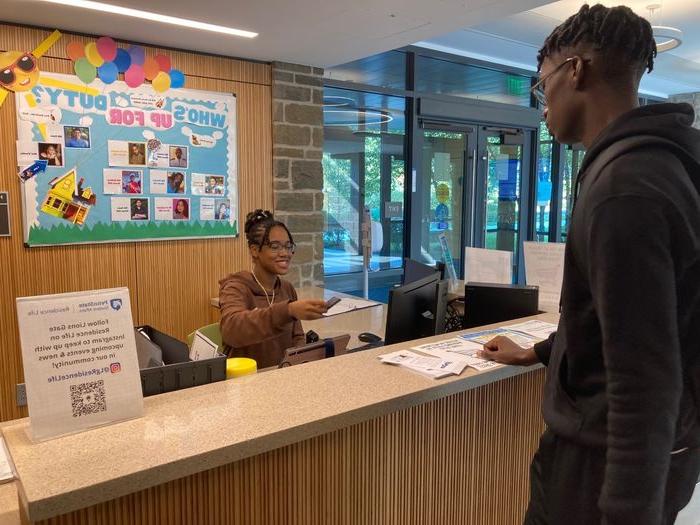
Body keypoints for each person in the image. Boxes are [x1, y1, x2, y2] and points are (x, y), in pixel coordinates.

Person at [477, 5, 700, 524]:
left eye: (542, 86)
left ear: (575, 70)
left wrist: (625, 511)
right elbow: (628, 320)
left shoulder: (624, 190)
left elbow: (644, 378)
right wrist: (538, 351)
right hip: (667, 447)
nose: (544, 106)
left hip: (600, 464)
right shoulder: (662, 164)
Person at [219, 210, 328, 368]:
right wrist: (287, 311)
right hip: (245, 382)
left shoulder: (287, 288)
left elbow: (297, 338)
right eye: (275, 247)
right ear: (254, 250)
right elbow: (232, 331)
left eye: (288, 246)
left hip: (281, 378)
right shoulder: (236, 287)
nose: (285, 253)